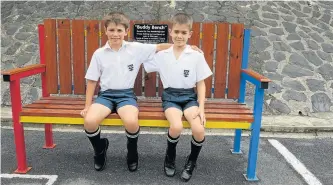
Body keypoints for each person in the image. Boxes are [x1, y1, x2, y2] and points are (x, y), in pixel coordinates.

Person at [80, 12, 202, 172]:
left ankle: (132, 153)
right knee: (89, 121)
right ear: (105, 30)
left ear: (126, 31)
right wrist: (87, 105)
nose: (115, 34)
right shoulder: (99, 54)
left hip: (126, 96)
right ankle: (100, 149)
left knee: (131, 121)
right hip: (106, 95)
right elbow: (91, 80)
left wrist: (186, 47)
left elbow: (159, 47)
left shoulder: (134, 48)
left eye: (119, 30)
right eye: (111, 30)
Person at [144, 13, 213, 182]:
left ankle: (191, 162)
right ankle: (170, 158)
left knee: (198, 129)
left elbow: (201, 84)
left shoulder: (196, 55)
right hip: (170, 97)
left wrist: (201, 109)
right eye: (176, 32)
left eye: (183, 33)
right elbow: (142, 56)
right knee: (176, 126)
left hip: (189, 97)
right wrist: (164, 46)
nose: (179, 36)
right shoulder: (162, 55)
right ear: (170, 32)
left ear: (190, 34)